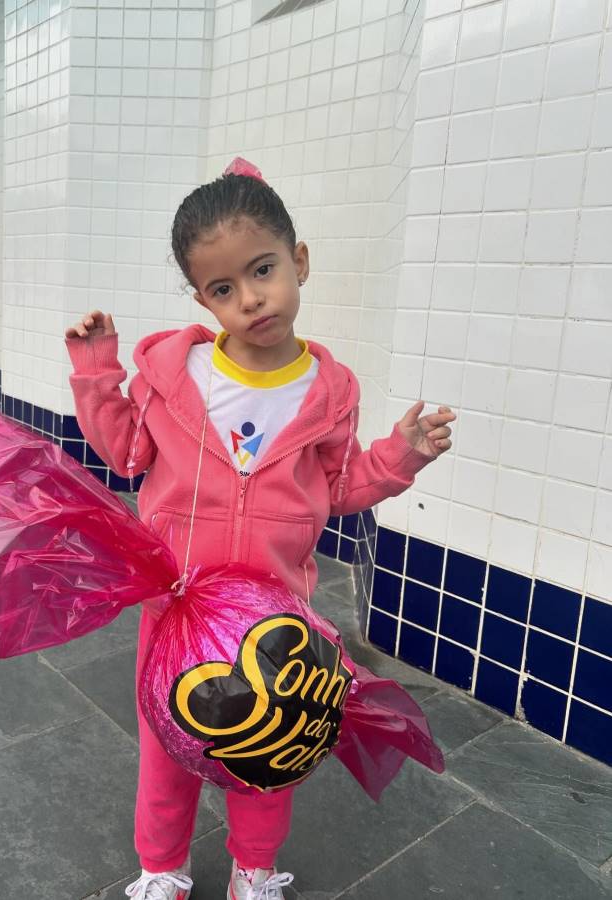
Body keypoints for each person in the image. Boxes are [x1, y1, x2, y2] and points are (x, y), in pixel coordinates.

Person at [64, 158, 456, 900]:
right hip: (177, 611)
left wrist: (403, 453)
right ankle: (162, 869)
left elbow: (341, 487)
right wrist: (95, 371)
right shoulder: (177, 374)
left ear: (299, 261)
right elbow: (123, 452)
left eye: (263, 270)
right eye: (222, 288)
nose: (250, 299)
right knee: (167, 748)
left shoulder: (329, 388)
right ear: (201, 298)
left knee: (272, 752)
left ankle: (254, 867)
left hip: (277, 617)